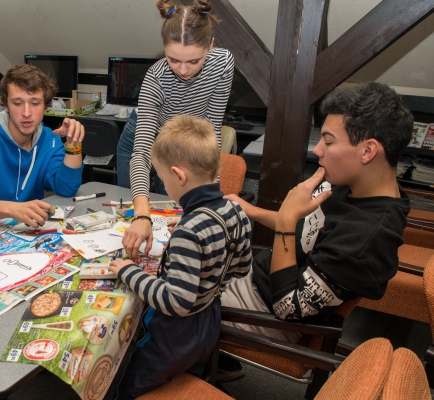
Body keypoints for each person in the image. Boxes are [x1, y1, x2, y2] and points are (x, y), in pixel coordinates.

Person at [221, 82, 413, 348]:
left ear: (368, 151)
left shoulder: (364, 240)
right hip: (255, 277)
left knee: (164, 294)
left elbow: (288, 307)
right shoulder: (351, 184)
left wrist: (287, 220)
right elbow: (302, 225)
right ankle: (209, 361)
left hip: (266, 314)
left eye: (329, 141)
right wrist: (250, 210)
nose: (318, 150)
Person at [108, 115, 253, 399]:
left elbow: (177, 302)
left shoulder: (191, 229)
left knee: (131, 385)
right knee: (189, 372)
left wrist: (129, 271)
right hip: (210, 321)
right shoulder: (235, 211)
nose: (163, 186)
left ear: (179, 176)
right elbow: (241, 267)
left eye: (162, 179)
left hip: (174, 334)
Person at [118, 0, 234, 261]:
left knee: (178, 212)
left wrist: (207, 202)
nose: (183, 70)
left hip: (181, 142)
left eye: (193, 61)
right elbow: (141, 153)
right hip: (144, 139)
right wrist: (142, 215)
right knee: (133, 217)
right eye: (173, 60)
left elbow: (211, 132)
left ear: (211, 45)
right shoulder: (155, 79)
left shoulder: (223, 64)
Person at [0, 64, 85, 227]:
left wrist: (73, 144)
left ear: (45, 106)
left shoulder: (48, 138)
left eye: (35, 103)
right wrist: (14, 209)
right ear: (5, 105)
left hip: (24, 232)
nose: (26, 113)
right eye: (17, 103)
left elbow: (66, 188)